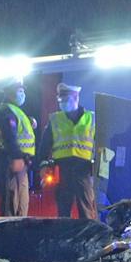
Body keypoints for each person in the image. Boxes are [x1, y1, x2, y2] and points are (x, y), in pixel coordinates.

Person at [38, 83, 98, 220]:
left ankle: (88, 239)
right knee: (63, 211)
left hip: (85, 170)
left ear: (76, 97)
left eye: (66, 99)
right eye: (61, 100)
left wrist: (100, 171)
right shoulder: (55, 119)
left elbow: (103, 145)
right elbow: (44, 146)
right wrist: (43, 165)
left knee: (87, 210)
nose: (63, 103)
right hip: (62, 170)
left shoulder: (92, 118)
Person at [0, 81, 36, 216]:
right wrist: (17, 157)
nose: (22, 93)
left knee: (21, 204)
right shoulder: (7, 110)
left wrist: (30, 120)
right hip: (12, 162)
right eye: (19, 90)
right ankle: (11, 233)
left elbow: (18, 129)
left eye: (23, 90)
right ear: (8, 92)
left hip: (19, 163)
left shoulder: (14, 110)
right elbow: (10, 136)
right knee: (13, 204)